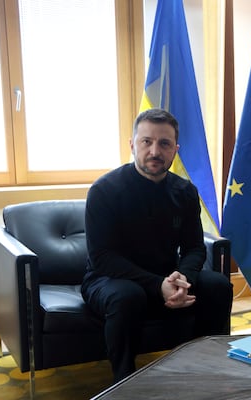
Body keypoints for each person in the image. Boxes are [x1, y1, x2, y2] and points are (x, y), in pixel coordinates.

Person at [81, 108, 233, 382]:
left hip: (166, 278)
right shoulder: (104, 190)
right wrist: (157, 284)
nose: (154, 151)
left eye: (164, 143)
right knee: (128, 296)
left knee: (218, 286)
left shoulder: (185, 191)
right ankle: (124, 382)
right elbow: (102, 257)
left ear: (175, 149)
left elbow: (194, 248)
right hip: (109, 280)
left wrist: (182, 279)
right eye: (146, 141)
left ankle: (207, 370)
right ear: (132, 145)